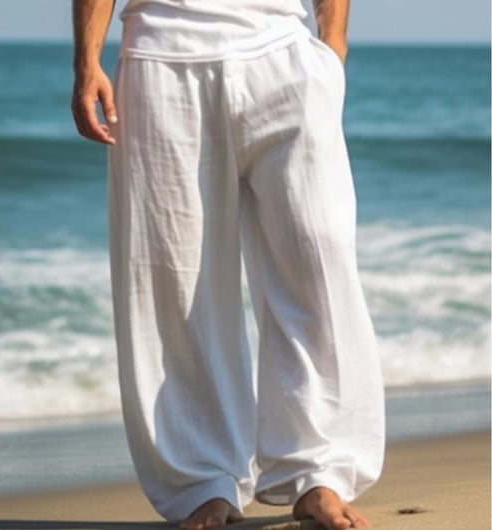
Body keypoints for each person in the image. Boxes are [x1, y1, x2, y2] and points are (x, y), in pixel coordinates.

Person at [71, 0, 385, 528]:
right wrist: (87, 60)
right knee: (174, 283)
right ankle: (204, 483)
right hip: (161, 56)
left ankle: (320, 472)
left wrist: (333, 44)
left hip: (283, 50)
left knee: (319, 264)